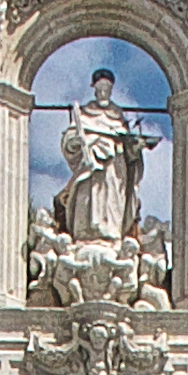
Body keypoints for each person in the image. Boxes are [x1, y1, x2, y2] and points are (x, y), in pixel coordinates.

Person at [55, 68, 158, 246]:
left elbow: (128, 147)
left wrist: (135, 147)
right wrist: (76, 141)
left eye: (107, 88)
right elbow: (69, 139)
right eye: (99, 88)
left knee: (112, 198)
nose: (103, 92)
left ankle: (111, 232)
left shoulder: (117, 115)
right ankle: (86, 233)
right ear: (94, 89)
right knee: (88, 196)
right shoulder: (85, 113)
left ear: (111, 90)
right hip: (90, 167)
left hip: (114, 168)